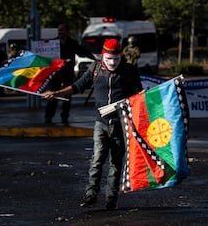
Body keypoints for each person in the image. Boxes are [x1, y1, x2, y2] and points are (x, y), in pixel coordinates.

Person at [44, 38, 143, 210]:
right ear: (103, 56)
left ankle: (111, 198)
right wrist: (56, 93)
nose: (113, 62)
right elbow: (77, 86)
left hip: (120, 125)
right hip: (101, 124)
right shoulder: (95, 69)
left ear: (121, 56)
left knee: (116, 163)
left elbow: (139, 94)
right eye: (109, 59)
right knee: (97, 159)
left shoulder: (128, 71)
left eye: (116, 59)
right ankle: (90, 195)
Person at [44, 23, 95, 126]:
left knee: (67, 96)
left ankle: (64, 117)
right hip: (56, 75)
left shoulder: (72, 43)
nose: (60, 33)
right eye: (59, 31)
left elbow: (82, 52)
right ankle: (48, 117)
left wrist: (94, 58)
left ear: (67, 31)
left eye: (62, 30)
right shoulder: (52, 43)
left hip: (68, 74)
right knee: (53, 96)